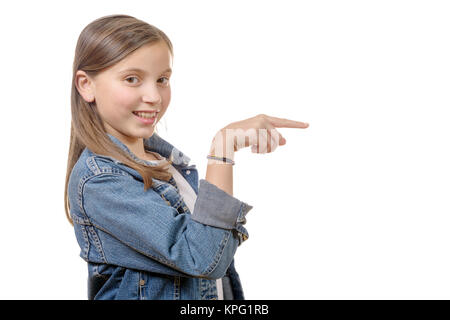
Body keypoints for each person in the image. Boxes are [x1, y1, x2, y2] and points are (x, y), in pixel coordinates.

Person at [64, 14, 309, 300]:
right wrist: (222, 151)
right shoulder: (100, 181)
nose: (154, 96)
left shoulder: (166, 164)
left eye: (162, 79)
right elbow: (203, 258)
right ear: (86, 85)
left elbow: (215, 261)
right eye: (132, 79)